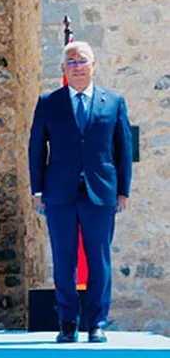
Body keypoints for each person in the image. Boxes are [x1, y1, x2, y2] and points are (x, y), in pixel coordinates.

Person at [29, 40, 132, 343]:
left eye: (82, 60)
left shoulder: (113, 102)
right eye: (71, 62)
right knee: (63, 259)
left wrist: (123, 190)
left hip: (101, 193)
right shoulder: (49, 102)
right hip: (59, 193)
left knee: (99, 259)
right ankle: (68, 322)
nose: (76, 66)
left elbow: (122, 149)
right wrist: (37, 189)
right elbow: (36, 148)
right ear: (63, 68)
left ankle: (97, 322)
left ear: (93, 65)